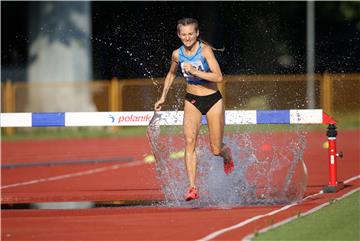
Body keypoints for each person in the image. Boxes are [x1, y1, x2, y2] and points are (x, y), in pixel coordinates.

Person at [154, 17, 234, 201]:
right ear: (178, 35)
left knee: (215, 149)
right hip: (192, 100)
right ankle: (192, 187)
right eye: (183, 35)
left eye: (191, 34)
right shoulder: (177, 54)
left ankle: (227, 155)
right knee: (189, 142)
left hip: (213, 100)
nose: (187, 38)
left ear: (197, 33)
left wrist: (195, 72)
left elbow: (219, 77)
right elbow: (171, 74)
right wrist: (163, 97)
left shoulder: (205, 51)